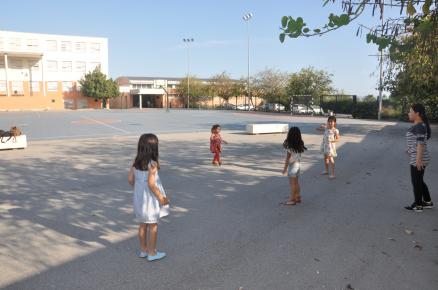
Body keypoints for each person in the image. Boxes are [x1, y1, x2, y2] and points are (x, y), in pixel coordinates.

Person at [128, 133, 170, 261]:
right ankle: (152, 253)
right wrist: (161, 198)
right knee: (153, 226)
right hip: (150, 201)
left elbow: (130, 179)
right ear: (153, 148)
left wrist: (138, 189)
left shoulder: (135, 163)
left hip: (139, 199)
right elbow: (151, 184)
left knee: (142, 225)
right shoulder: (152, 164)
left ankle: (143, 250)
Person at [404, 104, 433, 212]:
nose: (409, 113)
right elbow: (417, 142)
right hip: (418, 157)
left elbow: (421, 144)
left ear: (417, 114)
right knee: (419, 181)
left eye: (410, 111)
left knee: (416, 182)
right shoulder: (418, 125)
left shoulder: (419, 126)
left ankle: (418, 205)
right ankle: (428, 201)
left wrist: (418, 160)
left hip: (418, 159)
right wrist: (410, 149)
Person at [281, 127, 307, 205]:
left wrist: (285, 169)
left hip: (292, 166)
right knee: (296, 182)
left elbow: (287, 158)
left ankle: (292, 199)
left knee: (292, 184)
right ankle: (298, 196)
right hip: (298, 165)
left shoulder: (289, 146)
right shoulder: (300, 143)